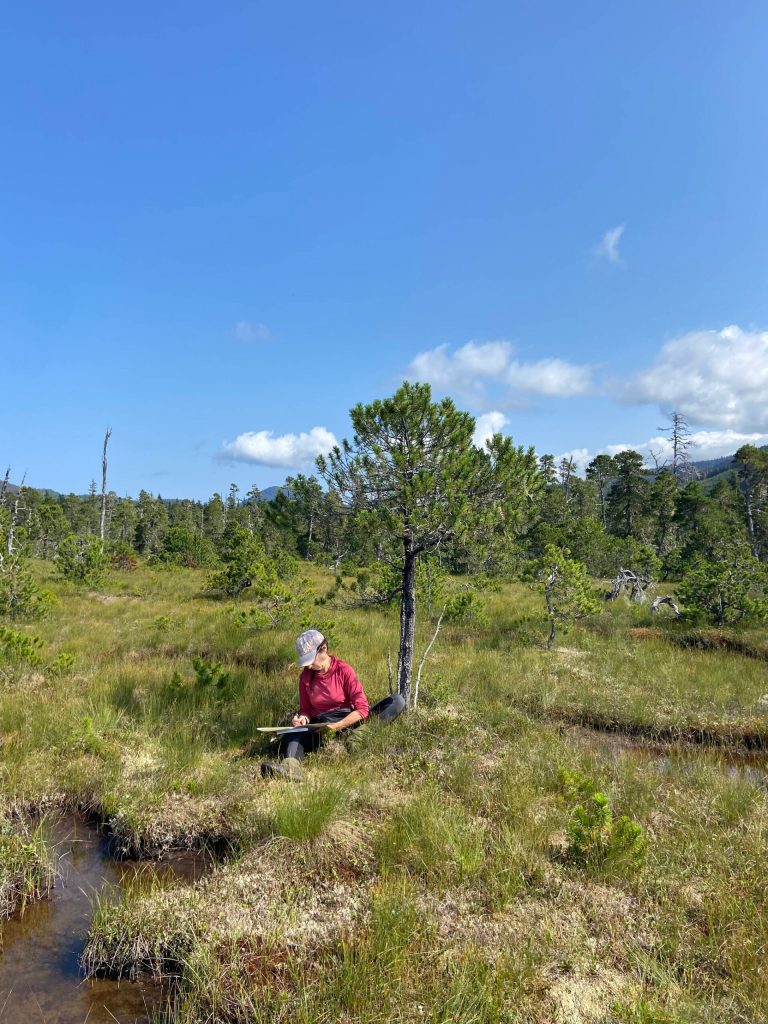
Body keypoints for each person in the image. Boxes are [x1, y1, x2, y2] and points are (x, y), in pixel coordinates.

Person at [261, 628, 405, 781]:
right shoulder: (305, 677)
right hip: (320, 727)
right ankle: (290, 768)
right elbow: (306, 710)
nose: (308, 666)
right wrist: (302, 719)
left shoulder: (343, 670)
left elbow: (362, 709)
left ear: (323, 649)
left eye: (310, 660)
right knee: (294, 733)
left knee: (396, 701)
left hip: (348, 720)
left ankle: (358, 736)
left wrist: (337, 726)